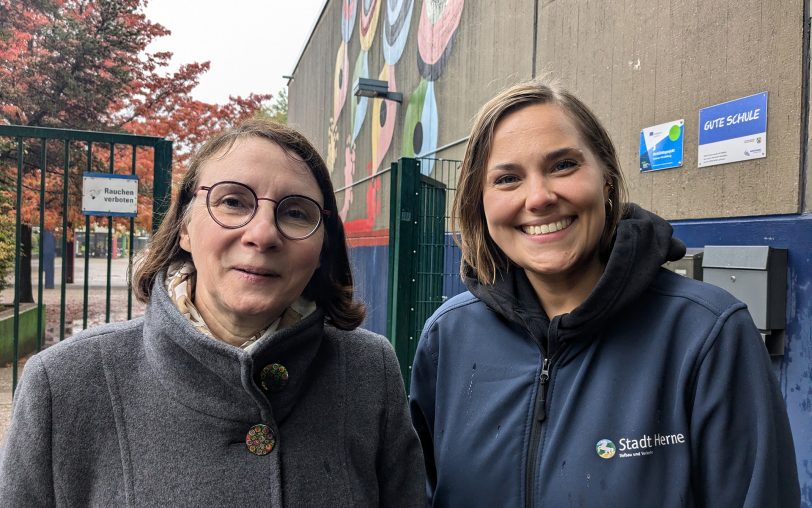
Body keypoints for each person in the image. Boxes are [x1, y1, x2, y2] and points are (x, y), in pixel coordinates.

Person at [408, 79, 800, 507]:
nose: (539, 197)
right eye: (507, 178)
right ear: (478, 203)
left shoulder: (707, 337)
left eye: (563, 166)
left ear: (606, 179)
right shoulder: (446, 339)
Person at [0, 118, 426, 506]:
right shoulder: (64, 386)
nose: (262, 234)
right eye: (233, 202)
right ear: (184, 226)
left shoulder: (369, 370)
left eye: (295, 213)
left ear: (321, 249)